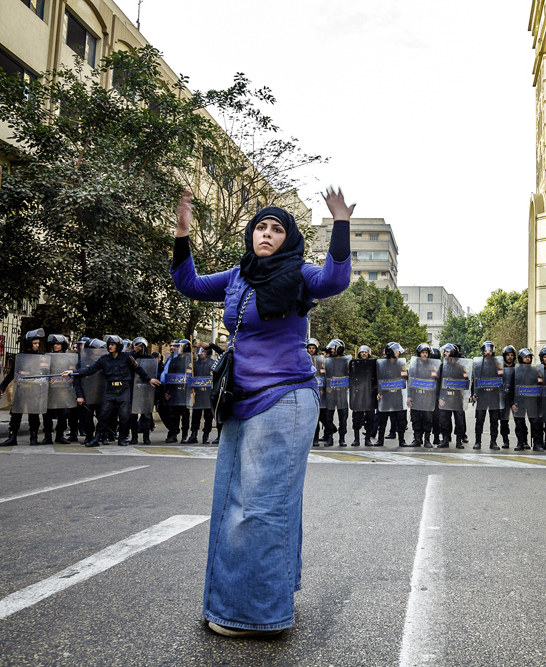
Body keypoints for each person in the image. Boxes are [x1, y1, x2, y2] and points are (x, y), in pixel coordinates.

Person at [171, 186, 352, 637]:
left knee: (261, 507)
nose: (266, 234)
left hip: (285, 397)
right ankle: (265, 594)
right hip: (240, 398)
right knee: (237, 501)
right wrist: (181, 234)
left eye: (276, 229)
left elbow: (335, 280)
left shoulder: (300, 273)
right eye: (260, 228)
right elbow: (188, 285)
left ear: (287, 238)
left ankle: (254, 615)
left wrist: (341, 225)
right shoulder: (237, 276)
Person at [64, 335, 160, 447]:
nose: (110, 347)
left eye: (113, 345)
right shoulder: (104, 359)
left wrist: (148, 379)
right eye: (109, 345)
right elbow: (90, 370)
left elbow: (138, 368)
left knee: (124, 415)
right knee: (104, 414)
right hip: (110, 390)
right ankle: (97, 438)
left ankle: (122, 438)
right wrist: (73, 372)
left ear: (118, 346)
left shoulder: (127, 358)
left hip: (124, 389)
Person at [0, 329, 47, 447]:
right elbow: (11, 373)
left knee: (34, 415)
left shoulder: (41, 357)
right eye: (34, 343)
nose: (37, 345)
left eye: (38, 343)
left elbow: (44, 372)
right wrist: (3, 386)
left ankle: (33, 436)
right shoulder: (20, 357)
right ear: (29, 343)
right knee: (15, 414)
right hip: (21, 389)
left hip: (34, 390)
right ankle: (12, 436)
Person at [350, 345, 377, 446]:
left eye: (366, 352)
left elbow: (376, 378)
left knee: (370, 417)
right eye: (362, 352)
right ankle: (356, 439)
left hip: (370, 394)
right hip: (358, 394)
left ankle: (367, 439)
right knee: (357, 417)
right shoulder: (355, 364)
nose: (364, 353)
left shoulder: (374, 364)